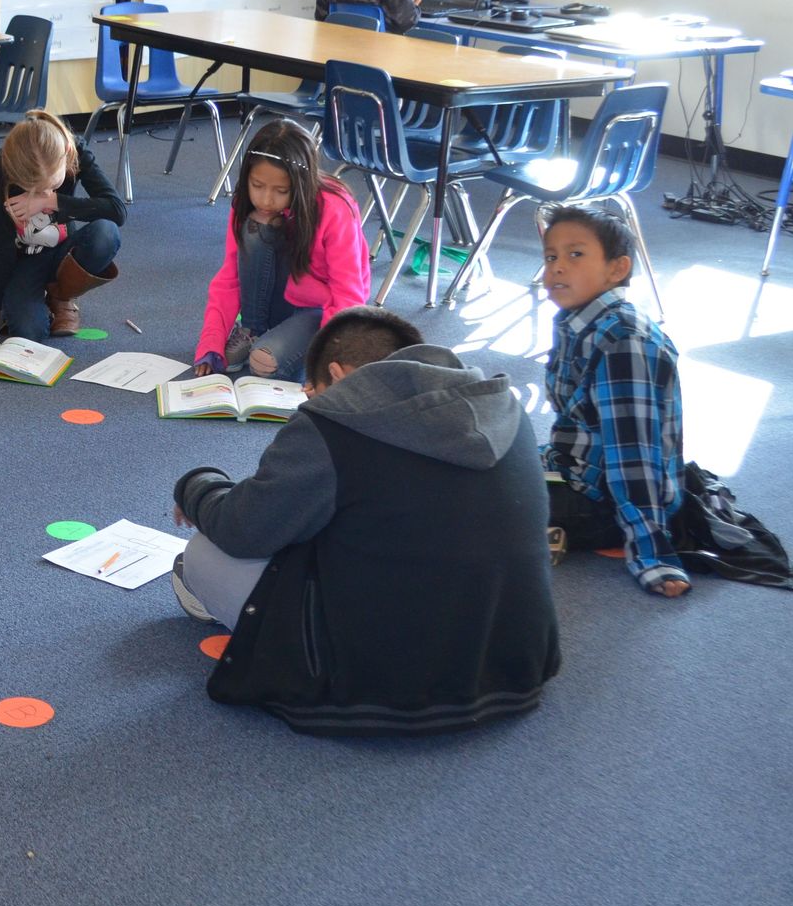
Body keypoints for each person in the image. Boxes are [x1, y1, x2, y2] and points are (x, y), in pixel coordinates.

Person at [168, 307, 560, 735]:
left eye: (312, 390)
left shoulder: (333, 423)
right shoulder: (505, 407)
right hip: (512, 667)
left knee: (205, 552)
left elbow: (243, 530)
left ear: (337, 375)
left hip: (378, 686)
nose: (309, 402)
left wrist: (197, 485)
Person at [539, 204, 690, 597]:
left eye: (575, 254)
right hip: (576, 469)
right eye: (551, 256)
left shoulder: (621, 341)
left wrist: (651, 555)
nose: (556, 267)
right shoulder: (582, 321)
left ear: (617, 269)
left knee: (460, 498)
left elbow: (633, 455)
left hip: (603, 501)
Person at [192, 119, 370, 381]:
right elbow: (229, 277)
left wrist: (327, 359)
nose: (265, 199)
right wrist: (211, 341)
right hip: (277, 299)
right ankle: (253, 329)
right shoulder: (245, 204)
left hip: (318, 310)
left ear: (301, 183)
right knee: (257, 226)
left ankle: (280, 342)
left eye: (281, 191)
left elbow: (347, 293)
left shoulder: (335, 207)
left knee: (264, 364)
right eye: (257, 186)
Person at [0, 110, 126, 341]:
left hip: (65, 253)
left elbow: (116, 210)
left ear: (66, 154)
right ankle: (40, 297)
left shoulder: (73, 148)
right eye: (33, 189)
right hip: (26, 261)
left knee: (106, 233)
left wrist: (51, 200)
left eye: (50, 185)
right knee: (28, 334)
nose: (42, 193)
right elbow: (1, 247)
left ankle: (60, 295)